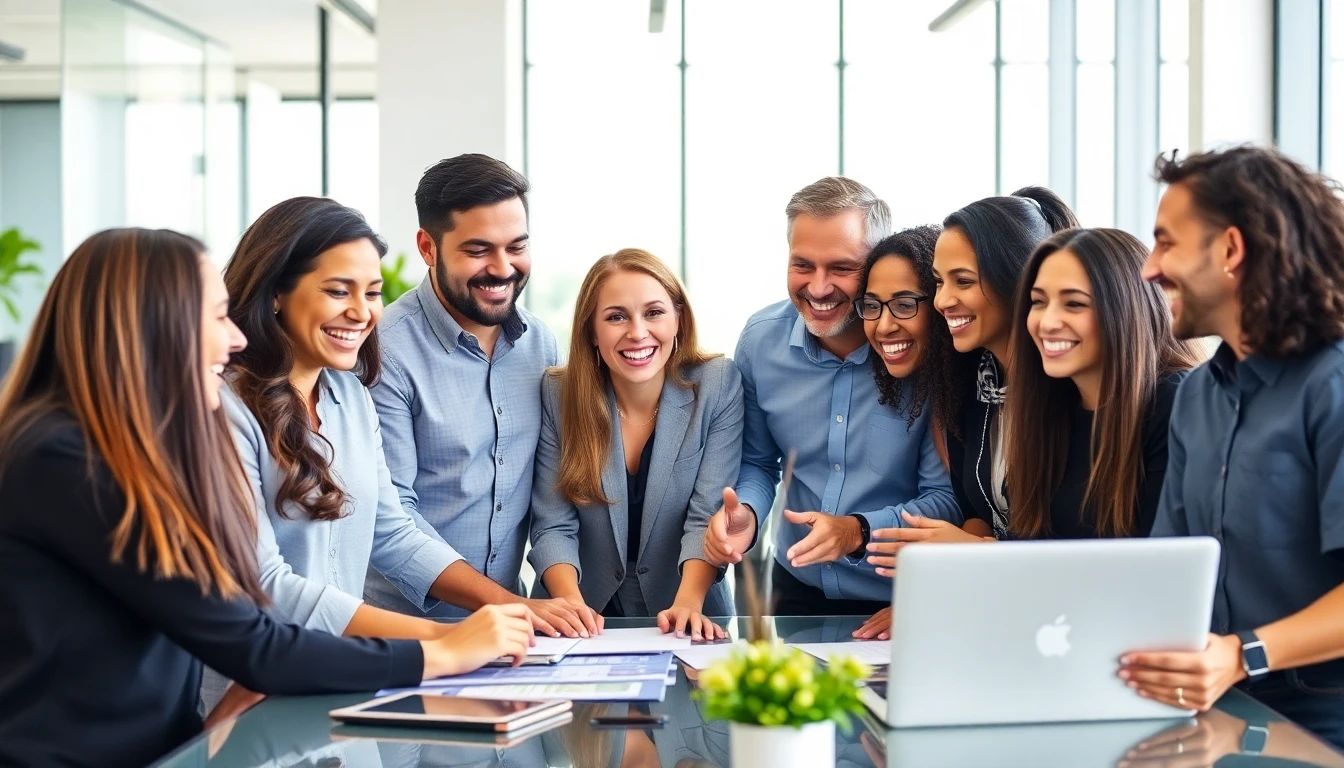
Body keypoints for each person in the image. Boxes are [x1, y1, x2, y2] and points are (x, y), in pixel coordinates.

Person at [0, 228, 533, 768]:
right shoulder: (61, 458)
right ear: (152, 323)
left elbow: (218, 631)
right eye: (214, 317)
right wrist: (439, 651)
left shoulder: (108, 448)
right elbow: (253, 637)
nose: (234, 339)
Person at [202, 197, 513, 710]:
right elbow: (264, 585)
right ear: (277, 291)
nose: (362, 312)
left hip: (343, 686)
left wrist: (511, 607)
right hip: (247, 700)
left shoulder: (348, 396)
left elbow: (391, 532)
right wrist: (438, 640)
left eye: (372, 293)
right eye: (337, 291)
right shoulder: (224, 407)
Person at [1120, 146, 1344, 751]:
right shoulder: (1196, 396)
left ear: (1231, 250)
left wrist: (1243, 655)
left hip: (1322, 723)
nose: (1149, 268)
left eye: (1167, 242)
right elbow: (1169, 567)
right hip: (1217, 714)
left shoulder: (1334, 386)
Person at [701, 177, 959, 617]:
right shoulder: (761, 342)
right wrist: (747, 511)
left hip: (901, 598)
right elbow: (760, 462)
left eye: (841, 268)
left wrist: (857, 530)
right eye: (803, 265)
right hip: (795, 588)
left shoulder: (924, 352)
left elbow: (946, 497)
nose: (818, 288)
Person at [365, 154, 599, 638]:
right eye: (478, 250)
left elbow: (548, 496)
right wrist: (511, 606)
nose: (503, 268)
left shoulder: (541, 345)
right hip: (403, 635)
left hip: (509, 637)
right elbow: (390, 520)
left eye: (517, 246)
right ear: (427, 248)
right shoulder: (383, 350)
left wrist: (555, 601)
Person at [528, 249, 742, 640]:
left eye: (654, 312)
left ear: (678, 317)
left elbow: (705, 516)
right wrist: (570, 605)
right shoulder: (559, 394)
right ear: (592, 331)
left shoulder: (718, 384)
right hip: (577, 613)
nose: (638, 332)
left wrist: (689, 604)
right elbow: (553, 524)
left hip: (688, 610)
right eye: (616, 317)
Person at [1001, 227, 1202, 540]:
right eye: (1038, 302)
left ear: (1125, 310)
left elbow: (1162, 560)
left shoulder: (1174, 401)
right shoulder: (1048, 403)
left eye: (1074, 304)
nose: (1047, 322)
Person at [847, 224, 975, 640]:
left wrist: (927, 597)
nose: (884, 326)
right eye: (872, 305)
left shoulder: (982, 387)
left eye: (904, 304)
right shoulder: (943, 387)